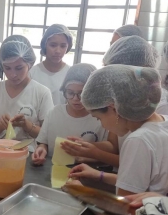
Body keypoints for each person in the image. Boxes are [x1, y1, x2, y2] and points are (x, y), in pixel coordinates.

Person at [63, 65, 168, 215]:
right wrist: (100, 175)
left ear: (114, 108)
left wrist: (81, 192)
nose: (102, 125)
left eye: (98, 118)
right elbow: (147, 185)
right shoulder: (162, 123)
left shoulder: (138, 140)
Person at [64, 35, 165, 166]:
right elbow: (116, 145)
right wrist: (88, 149)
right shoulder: (122, 103)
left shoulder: (152, 108)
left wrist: (95, 155)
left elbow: (138, 165)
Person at [0, 35, 54, 142]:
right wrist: (0, 126)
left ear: (29, 64)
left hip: (28, 153)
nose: (13, 74)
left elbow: (48, 135)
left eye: (19, 68)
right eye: (7, 68)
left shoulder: (42, 93)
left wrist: (27, 125)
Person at [32, 63, 107, 165]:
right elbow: (43, 142)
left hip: (87, 172)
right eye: (70, 93)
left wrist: (84, 155)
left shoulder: (100, 118)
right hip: (53, 169)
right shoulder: (54, 113)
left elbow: (107, 152)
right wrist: (42, 149)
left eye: (81, 94)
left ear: (92, 92)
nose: (75, 99)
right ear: (64, 91)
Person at [29, 24, 73, 105]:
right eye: (53, 45)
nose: (58, 51)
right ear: (45, 45)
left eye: (63, 46)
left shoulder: (71, 74)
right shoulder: (32, 73)